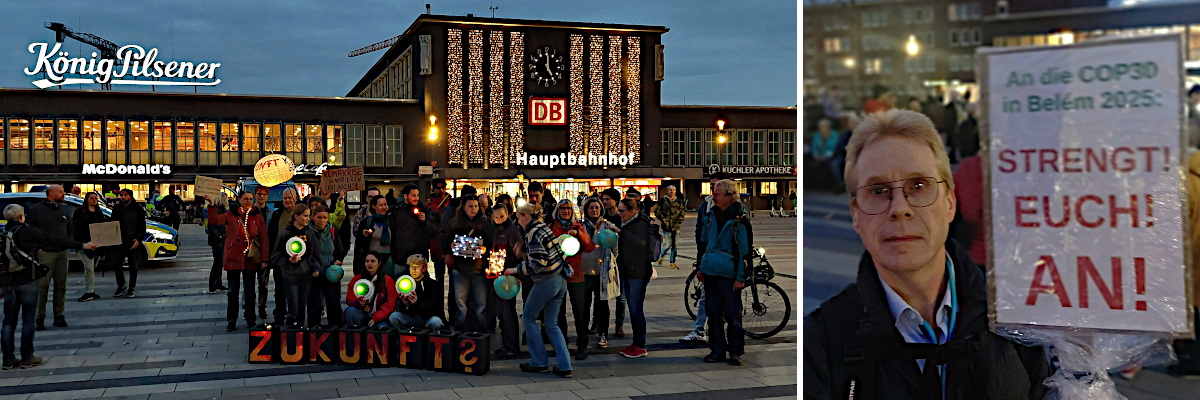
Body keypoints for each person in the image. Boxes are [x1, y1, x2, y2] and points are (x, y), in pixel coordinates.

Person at [804, 109, 1051, 399]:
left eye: (918, 186)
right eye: (878, 190)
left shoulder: (1015, 319)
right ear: (856, 215)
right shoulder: (822, 341)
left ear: (950, 203)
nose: (899, 208)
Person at [2, 204, 96, 370]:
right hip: (27, 280)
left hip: (9, 282)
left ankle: (8, 360)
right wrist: (81, 245)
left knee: (8, 322)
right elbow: (51, 239)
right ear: (21, 216)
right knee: (27, 320)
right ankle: (27, 357)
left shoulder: (3, 233)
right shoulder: (27, 231)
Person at [505, 203, 573, 378]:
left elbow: (539, 262)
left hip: (546, 281)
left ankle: (539, 362)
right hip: (560, 279)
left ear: (526, 216)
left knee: (529, 317)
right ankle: (565, 365)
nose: (517, 220)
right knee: (551, 323)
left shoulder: (533, 232)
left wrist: (517, 269)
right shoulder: (544, 227)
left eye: (519, 217)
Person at [697, 179, 755, 366]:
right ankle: (717, 350)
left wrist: (741, 277)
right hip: (711, 272)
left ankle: (735, 351)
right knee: (713, 314)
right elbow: (703, 244)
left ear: (730, 196)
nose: (713, 196)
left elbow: (745, 251)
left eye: (717, 193)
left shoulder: (739, 219)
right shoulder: (710, 215)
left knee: (732, 315)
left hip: (729, 275)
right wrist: (700, 267)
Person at [206, 192, 270, 332]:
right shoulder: (231, 214)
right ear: (239, 199)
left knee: (250, 291)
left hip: (250, 258)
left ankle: (250, 319)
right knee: (232, 291)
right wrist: (211, 206)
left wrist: (265, 259)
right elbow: (215, 220)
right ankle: (231, 320)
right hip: (234, 256)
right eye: (245, 198)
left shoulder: (257, 216)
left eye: (250, 199)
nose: (248, 201)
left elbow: (264, 238)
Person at [681, 173, 727, 345]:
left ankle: (728, 340)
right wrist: (701, 261)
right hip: (711, 259)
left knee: (729, 301)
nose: (714, 189)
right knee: (707, 296)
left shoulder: (736, 207)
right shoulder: (706, 206)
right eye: (712, 185)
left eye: (717, 185)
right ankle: (700, 330)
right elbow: (700, 235)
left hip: (728, 261)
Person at [550, 199, 596, 359]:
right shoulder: (551, 226)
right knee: (558, 312)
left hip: (576, 275)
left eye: (569, 208)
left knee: (580, 311)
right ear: (558, 210)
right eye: (563, 208)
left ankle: (582, 345)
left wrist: (579, 234)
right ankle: (561, 343)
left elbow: (589, 247)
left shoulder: (578, 226)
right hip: (558, 274)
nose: (566, 211)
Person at [442, 194, 494, 332]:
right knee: (461, 306)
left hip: (479, 269)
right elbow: (445, 242)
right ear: (463, 207)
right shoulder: (454, 223)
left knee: (481, 305)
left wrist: (485, 250)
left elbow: (491, 244)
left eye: (476, 206)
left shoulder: (485, 223)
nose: (474, 209)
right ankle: (460, 332)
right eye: (470, 206)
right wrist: (451, 247)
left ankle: (482, 334)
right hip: (460, 269)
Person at [25, 185, 73, 329]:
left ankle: (59, 315)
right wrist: (37, 247)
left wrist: (68, 242)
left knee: (61, 285)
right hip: (44, 252)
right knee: (42, 286)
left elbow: (70, 229)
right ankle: (39, 317)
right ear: (50, 193)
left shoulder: (64, 209)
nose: (63, 193)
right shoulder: (37, 210)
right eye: (60, 191)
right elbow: (30, 230)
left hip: (62, 252)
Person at [615, 199, 653, 359]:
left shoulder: (640, 224)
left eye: (622, 211)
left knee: (636, 309)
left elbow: (640, 243)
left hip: (637, 272)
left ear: (633, 211)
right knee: (633, 308)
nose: (619, 213)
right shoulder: (630, 223)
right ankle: (637, 342)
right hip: (629, 271)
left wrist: (620, 232)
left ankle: (640, 344)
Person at [580, 197, 618, 350]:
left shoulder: (607, 226)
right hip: (584, 271)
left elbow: (615, 248)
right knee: (583, 305)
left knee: (603, 304)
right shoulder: (581, 226)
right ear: (586, 210)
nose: (594, 210)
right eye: (591, 208)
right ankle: (582, 333)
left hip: (601, 272)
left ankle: (604, 334)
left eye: (597, 207)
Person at [272, 204, 318, 328]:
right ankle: (291, 331)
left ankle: (301, 332)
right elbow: (275, 256)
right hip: (290, 275)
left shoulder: (310, 233)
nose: (308, 219)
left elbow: (314, 255)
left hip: (306, 274)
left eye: (309, 216)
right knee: (293, 307)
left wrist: (316, 268)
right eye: (305, 216)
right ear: (296, 216)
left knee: (302, 306)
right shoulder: (285, 233)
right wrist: (288, 261)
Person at [489, 204, 523, 359]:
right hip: (495, 274)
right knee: (502, 312)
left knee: (507, 312)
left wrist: (511, 268)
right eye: (496, 217)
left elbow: (517, 252)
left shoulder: (512, 230)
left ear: (508, 214)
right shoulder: (493, 229)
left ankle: (511, 346)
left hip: (506, 276)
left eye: (502, 216)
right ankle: (508, 344)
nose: (499, 219)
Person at [307, 204, 346, 327]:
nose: (322, 220)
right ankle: (314, 328)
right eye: (319, 217)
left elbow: (340, 251)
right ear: (313, 217)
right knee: (315, 304)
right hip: (314, 272)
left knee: (333, 302)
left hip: (330, 272)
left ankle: (335, 327)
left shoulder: (332, 232)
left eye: (325, 217)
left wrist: (338, 260)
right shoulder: (307, 232)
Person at [264, 187, 299, 324]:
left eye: (290, 198)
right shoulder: (277, 213)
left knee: (294, 289)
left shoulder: (301, 213)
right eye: (285, 198)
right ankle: (280, 315)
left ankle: (294, 316)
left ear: (295, 198)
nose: (287, 200)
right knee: (279, 289)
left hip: (297, 258)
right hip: (281, 258)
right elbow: (271, 235)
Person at [388, 254, 445, 331]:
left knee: (436, 322)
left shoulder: (432, 284)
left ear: (424, 268)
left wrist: (416, 303)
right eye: (411, 266)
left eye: (417, 266)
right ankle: (405, 336)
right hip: (413, 318)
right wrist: (406, 304)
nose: (413, 270)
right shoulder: (407, 283)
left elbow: (434, 308)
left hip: (427, 319)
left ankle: (431, 340)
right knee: (394, 317)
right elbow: (403, 311)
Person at [72, 192, 111, 302]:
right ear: (87, 199)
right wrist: (82, 243)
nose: (94, 200)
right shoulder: (80, 212)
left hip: (96, 245)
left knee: (91, 268)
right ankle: (90, 291)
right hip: (84, 244)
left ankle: (91, 291)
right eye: (91, 198)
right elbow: (76, 228)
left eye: (95, 198)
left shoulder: (99, 212)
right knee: (89, 268)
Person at [598, 188, 626, 338]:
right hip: (604, 260)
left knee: (621, 296)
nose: (605, 202)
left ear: (616, 200)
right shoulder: (601, 218)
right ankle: (598, 324)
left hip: (620, 260)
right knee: (602, 294)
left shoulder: (621, 217)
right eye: (604, 199)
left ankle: (619, 324)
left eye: (608, 199)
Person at [344, 251, 397, 328]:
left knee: (382, 328)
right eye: (367, 261)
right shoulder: (357, 279)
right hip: (362, 314)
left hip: (380, 318)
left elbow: (390, 304)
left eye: (373, 261)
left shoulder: (387, 280)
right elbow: (349, 298)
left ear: (379, 263)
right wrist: (358, 302)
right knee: (351, 310)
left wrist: (376, 318)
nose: (369, 264)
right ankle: (355, 336)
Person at [110, 189, 146, 299]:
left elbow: (142, 226)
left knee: (133, 266)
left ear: (130, 196)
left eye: (125, 195)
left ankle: (131, 288)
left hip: (132, 240)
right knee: (117, 264)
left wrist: (138, 240)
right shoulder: (117, 208)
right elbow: (112, 223)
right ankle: (121, 285)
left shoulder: (137, 208)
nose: (122, 197)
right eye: (121, 195)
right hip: (119, 241)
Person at [356, 196, 395, 276]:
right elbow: (359, 243)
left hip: (389, 257)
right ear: (374, 206)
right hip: (373, 257)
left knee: (387, 281)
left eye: (385, 204)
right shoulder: (367, 222)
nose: (384, 207)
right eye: (381, 205)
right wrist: (364, 235)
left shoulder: (392, 220)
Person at [654, 185, 686, 269]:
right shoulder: (663, 200)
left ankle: (672, 262)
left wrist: (679, 220)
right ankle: (661, 256)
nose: (672, 191)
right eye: (670, 190)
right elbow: (657, 211)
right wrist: (663, 219)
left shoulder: (679, 201)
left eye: (673, 190)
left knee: (675, 245)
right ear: (667, 191)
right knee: (668, 244)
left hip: (676, 226)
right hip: (666, 226)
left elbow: (682, 212)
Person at [811, 119, 843, 189]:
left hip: (833, 156)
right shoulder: (817, 135)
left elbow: (834, 148)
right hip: (819, 157)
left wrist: (825, 157)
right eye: (821, 127)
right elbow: (814, 148)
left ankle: (839, 184)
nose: (822, 129)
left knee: (835, 165)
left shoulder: (834, 135)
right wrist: (817, 156)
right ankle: (818, 185)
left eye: (824, 127)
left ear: (828, 127)